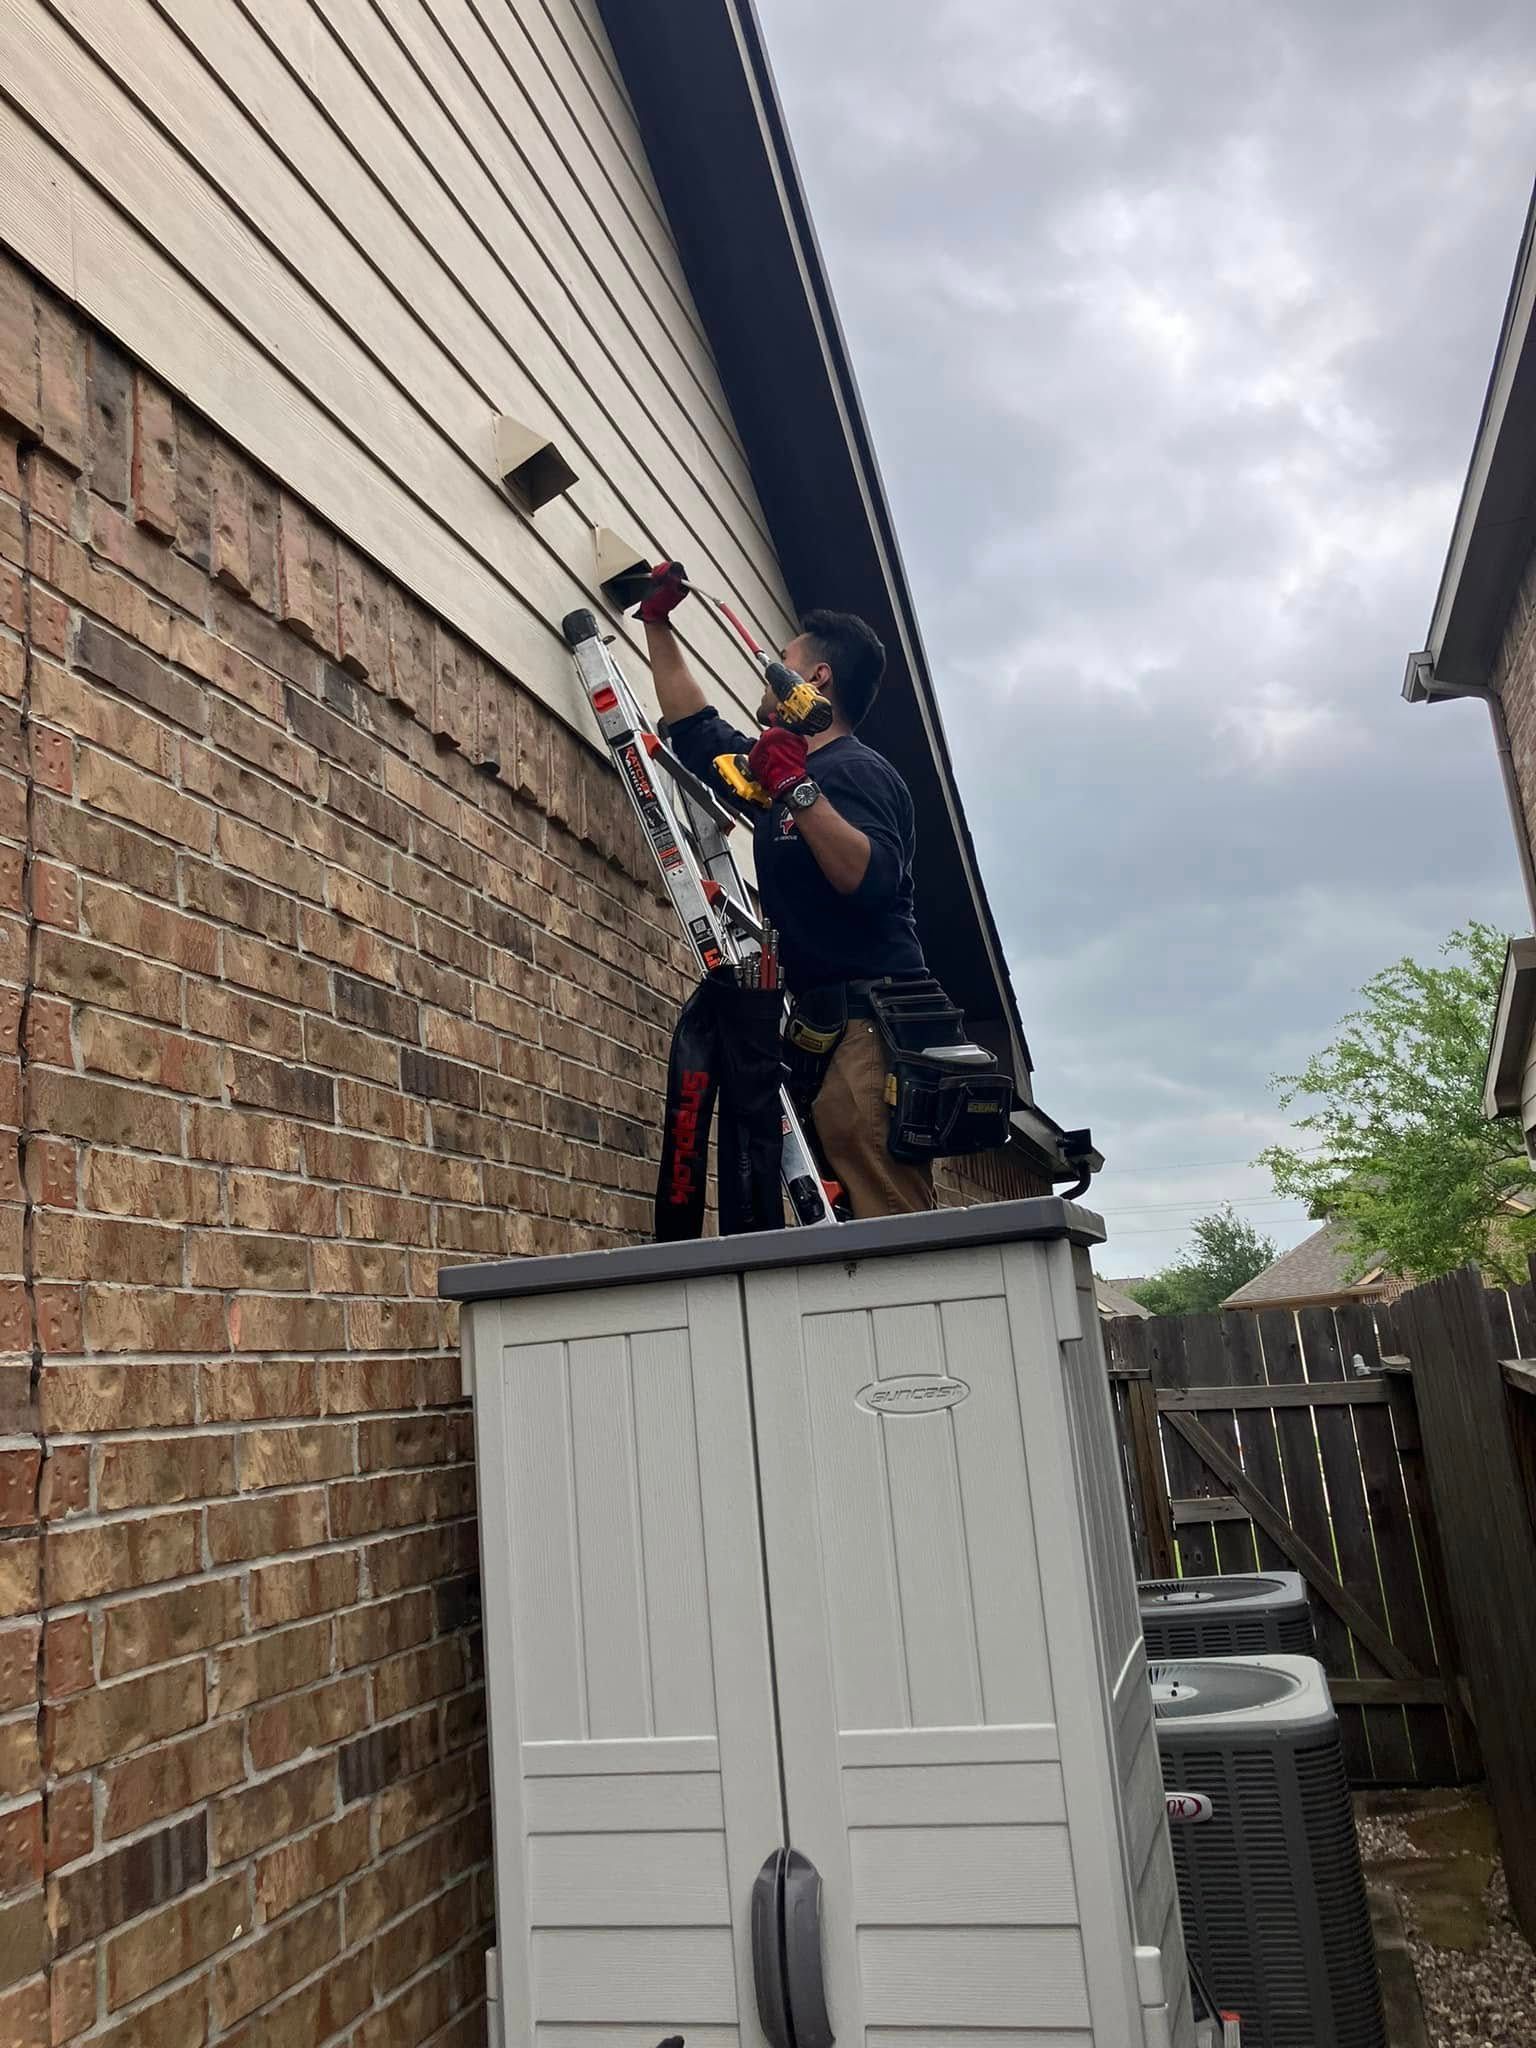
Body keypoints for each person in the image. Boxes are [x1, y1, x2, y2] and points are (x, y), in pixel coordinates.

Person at [639, 567, 936, 1219]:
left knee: (892, 1220)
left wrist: (797, 790)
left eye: (783, 662)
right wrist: (657, 624)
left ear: (815, 681)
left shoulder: (855, 769)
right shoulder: (787, 772)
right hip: (825, 1034)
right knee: (845, 1226)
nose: (767, 671)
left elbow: (869, 877)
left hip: (869, 1031)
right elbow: (697, 732)